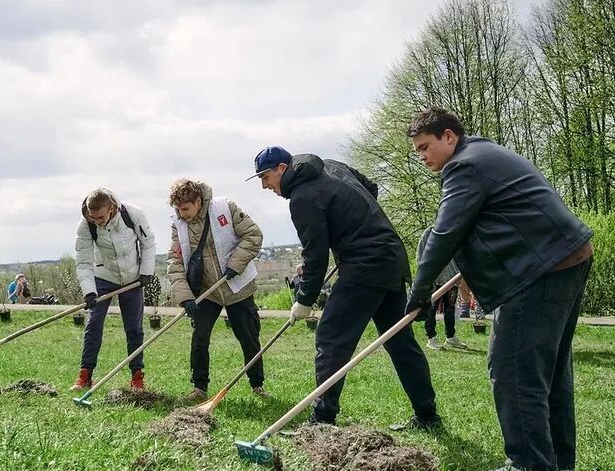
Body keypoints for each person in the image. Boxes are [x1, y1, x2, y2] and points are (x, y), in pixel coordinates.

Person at [405, 108, 593, 471]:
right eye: (417, 151)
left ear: (449, 137)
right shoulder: (485, 154)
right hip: (566, 257)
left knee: (512, 366)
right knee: (549, 366)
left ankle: (531, 464)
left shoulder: (464, 167)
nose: (422, 156)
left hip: (543, 267)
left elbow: (446, 232)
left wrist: (418, 291)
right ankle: (559, 463)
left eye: (425, 147)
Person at [253, 146, 439, 430]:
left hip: (365, 267)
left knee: (331, 338)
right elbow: (371, 189)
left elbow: (314, 254)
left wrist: (304, 299)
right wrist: (352, 228)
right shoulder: (332, 165)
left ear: (281, 168)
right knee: (401, 343)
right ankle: (427, 416)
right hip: (391, 258)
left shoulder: (301, 197)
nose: (265, 186)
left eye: (265, 178)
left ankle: (323, 420)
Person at [167, 178, 268, 400]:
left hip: (237, 285)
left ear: (198, 201)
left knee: (249, 336)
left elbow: (253, 235)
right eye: (178, 209)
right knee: (200, 337)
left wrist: (235, 264)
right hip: (206, 290)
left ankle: (257, 386)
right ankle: (199, 388)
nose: (182, 213)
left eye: (185, 208)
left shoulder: (225, 208)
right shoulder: (178, 225)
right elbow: (175, 264)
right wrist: (185, 298)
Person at [71, 187, 156, 391]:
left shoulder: (133, 214)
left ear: (111, 208)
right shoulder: (86, 225)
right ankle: (85, 375)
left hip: (133, 279)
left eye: (100, 217)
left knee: (134, 329)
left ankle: (137, 377)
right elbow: (83, 262)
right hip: (103, 278)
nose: (96, 222)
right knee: (94, 324)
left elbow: (148, 243)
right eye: (93, 218)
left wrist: (146, 271)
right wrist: (89, 291)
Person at [416, 226, 466, 350]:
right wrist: (424, 275)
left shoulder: (455, 233)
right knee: (431, 309)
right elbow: (420, 253)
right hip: (434, 278)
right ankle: (431, 338)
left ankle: (450, 337)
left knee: (450, 309)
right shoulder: (429, 232)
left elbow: (461, 255)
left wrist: (460, 274)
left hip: (451, 279)